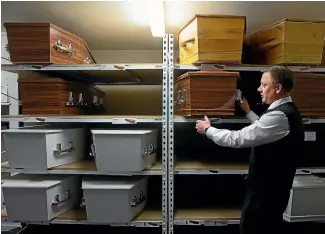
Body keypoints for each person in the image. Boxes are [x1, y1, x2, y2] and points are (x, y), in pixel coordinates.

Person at [195, 65, 304, 234]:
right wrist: (247, 111)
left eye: (264, 85)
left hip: (266, 195)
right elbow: (263, 130)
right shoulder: (286, 111)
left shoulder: (280, 116)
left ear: (278, 88)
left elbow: (237, 139)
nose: (259, 89)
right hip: (272, 192)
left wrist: (208, 130)